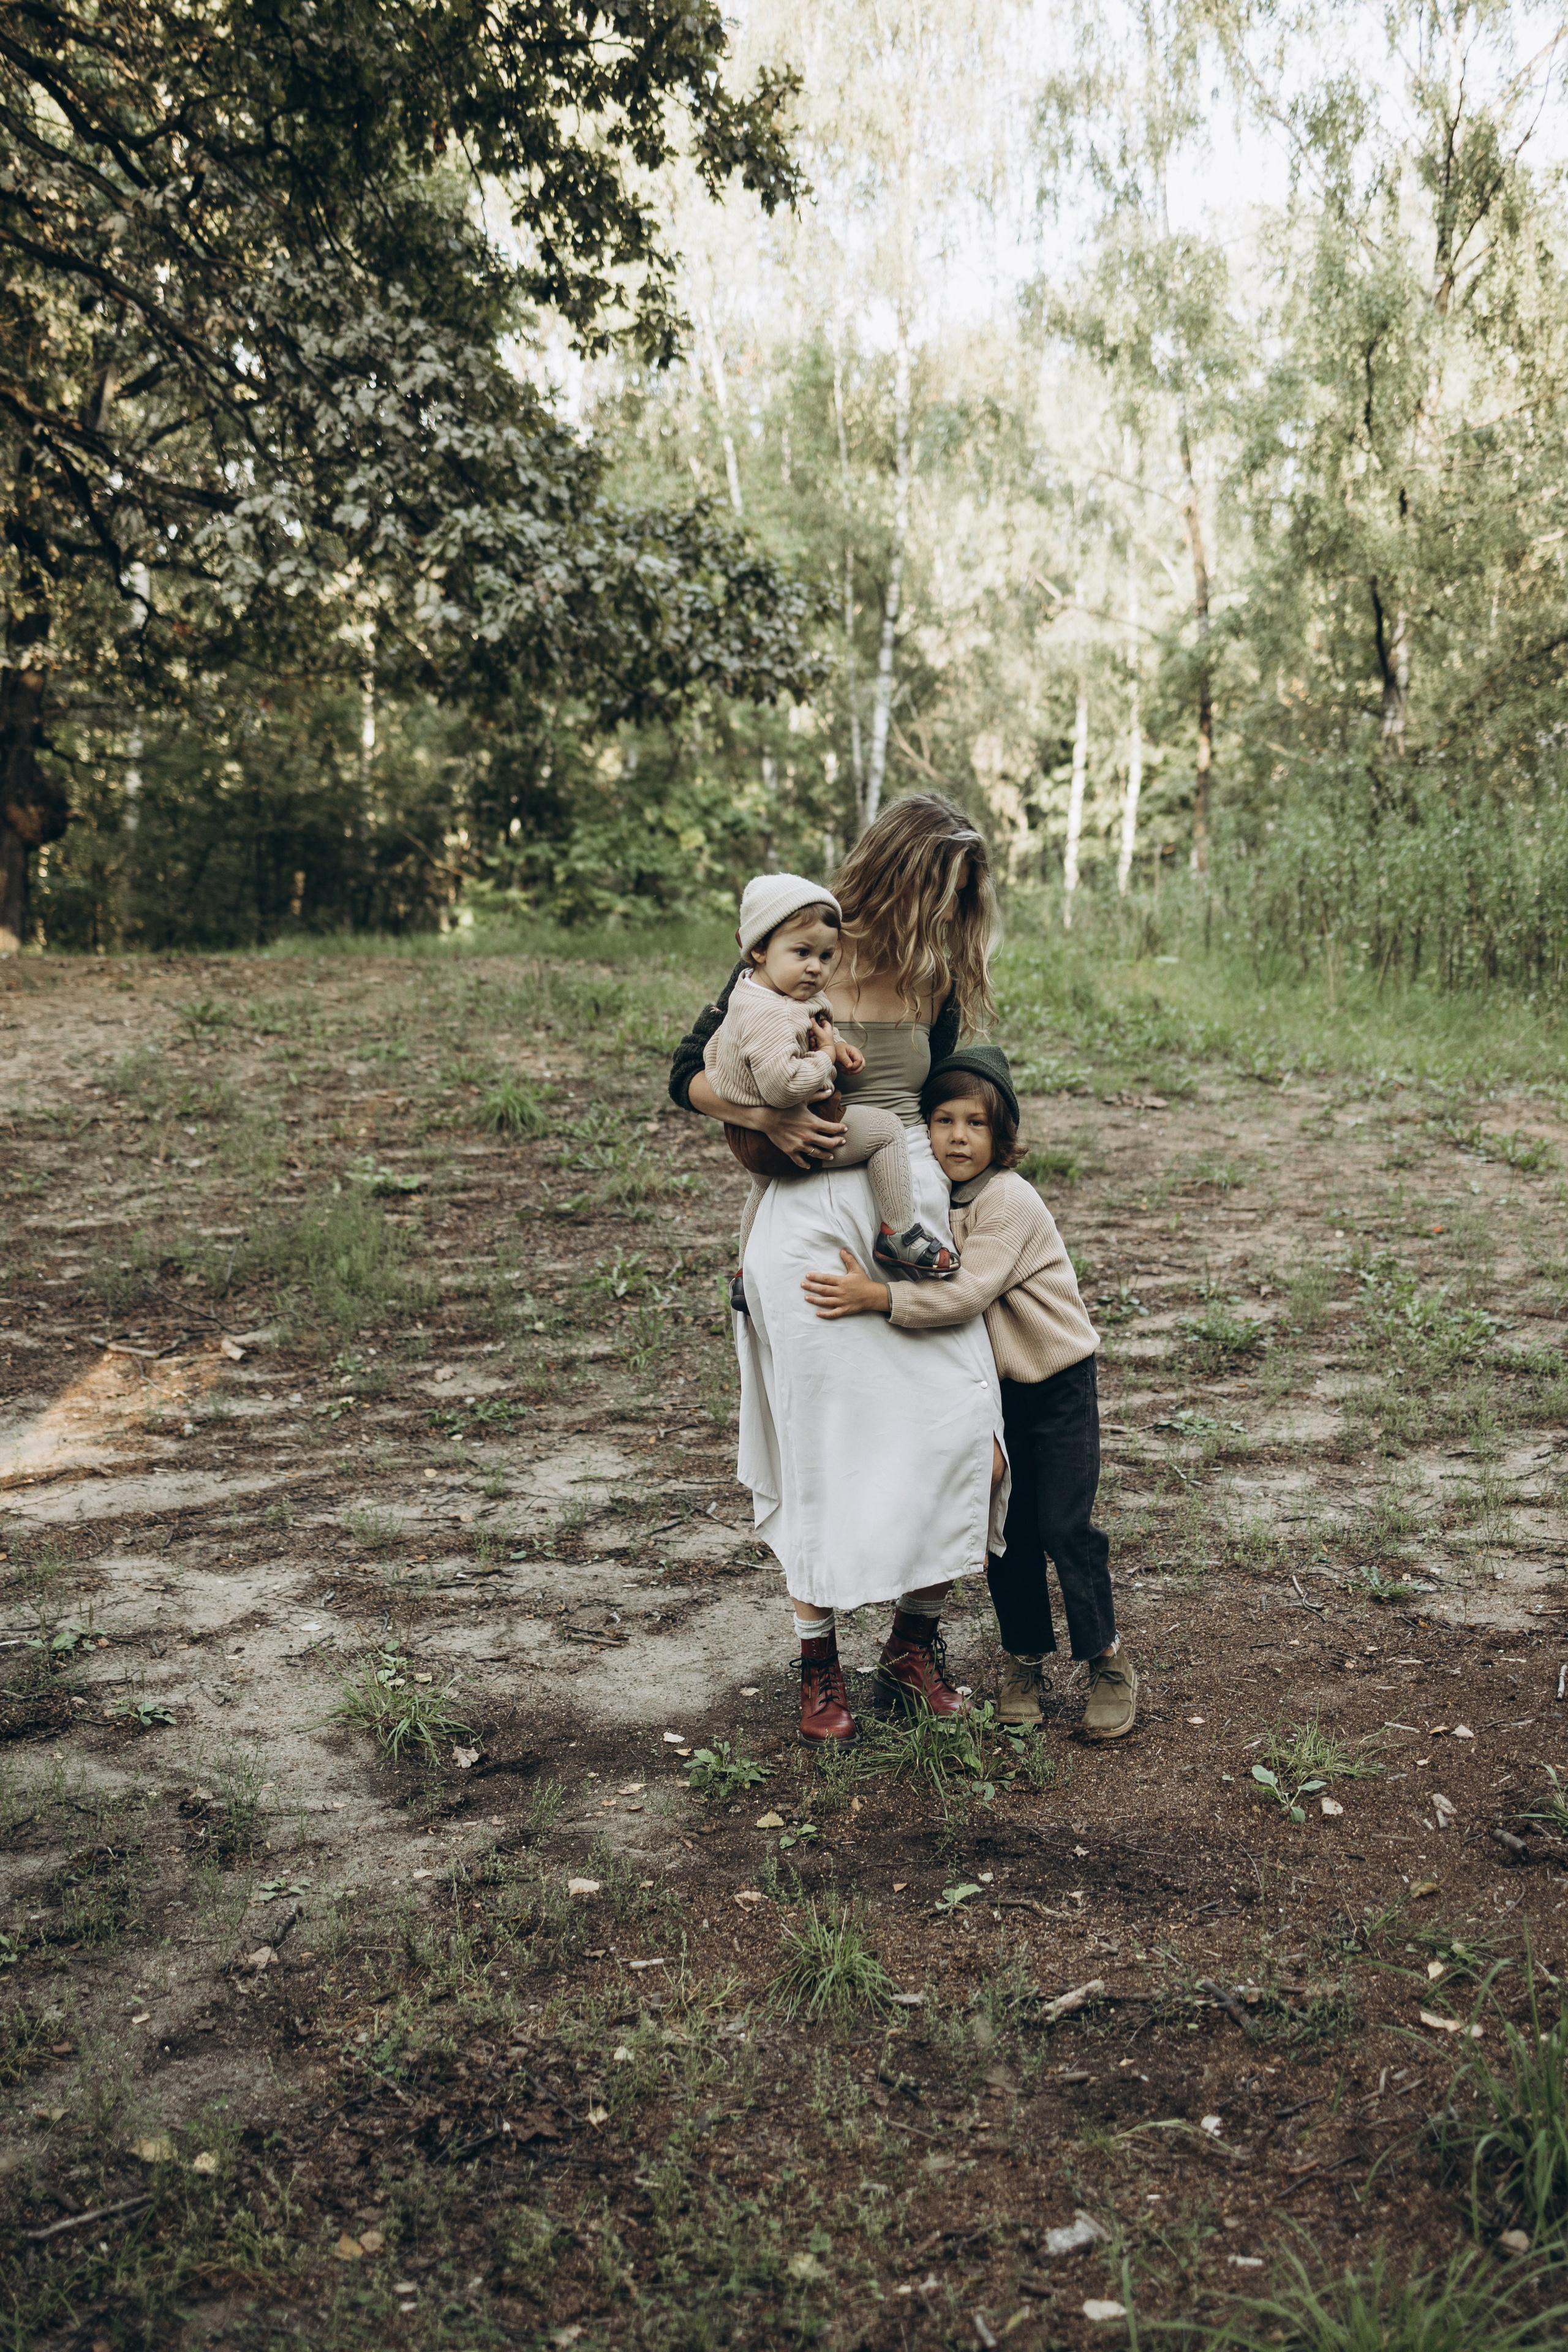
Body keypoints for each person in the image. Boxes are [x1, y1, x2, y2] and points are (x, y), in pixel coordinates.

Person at [668, 794, 1006, 1746]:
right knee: (823, 1443)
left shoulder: (936, 976)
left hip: (913, 1216)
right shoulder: (798, 950)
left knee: (964, 1439)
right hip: (811, 1217)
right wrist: (762, 1116)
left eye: (965, 900)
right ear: (899, 875)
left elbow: (940, 1102)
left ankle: (912, 1643)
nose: (952, 914)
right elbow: (686, 1072)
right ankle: (817, 1660)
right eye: (941, 891)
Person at [801, 1043, 1137, 1742]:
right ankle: (1024, 1662)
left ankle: (1106, 1661)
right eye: (943, 1121)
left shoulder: (1008, 1199)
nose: (957, 1137)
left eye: (976, 1124)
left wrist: (875, 1296)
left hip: (1056, 1382)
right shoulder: (928, 1199)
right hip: (996, 1390)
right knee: (1008, 1536)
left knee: (1064, 1527)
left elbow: (967, 1290)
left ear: (1002, 1136)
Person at [704, 870, 959, 1303]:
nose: (815, 968)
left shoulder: (762, 994)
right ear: (758, 949)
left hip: (750, 1140)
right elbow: (785, 1088)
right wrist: (823, 1061)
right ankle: (900, 1234)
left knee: (760, 1186)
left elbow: (732, 1050)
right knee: (884, 1131)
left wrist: (836, 1046)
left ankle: (746, 1275)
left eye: (826, 957)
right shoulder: (770, 1015)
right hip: (783, 1128)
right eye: (802, 953)